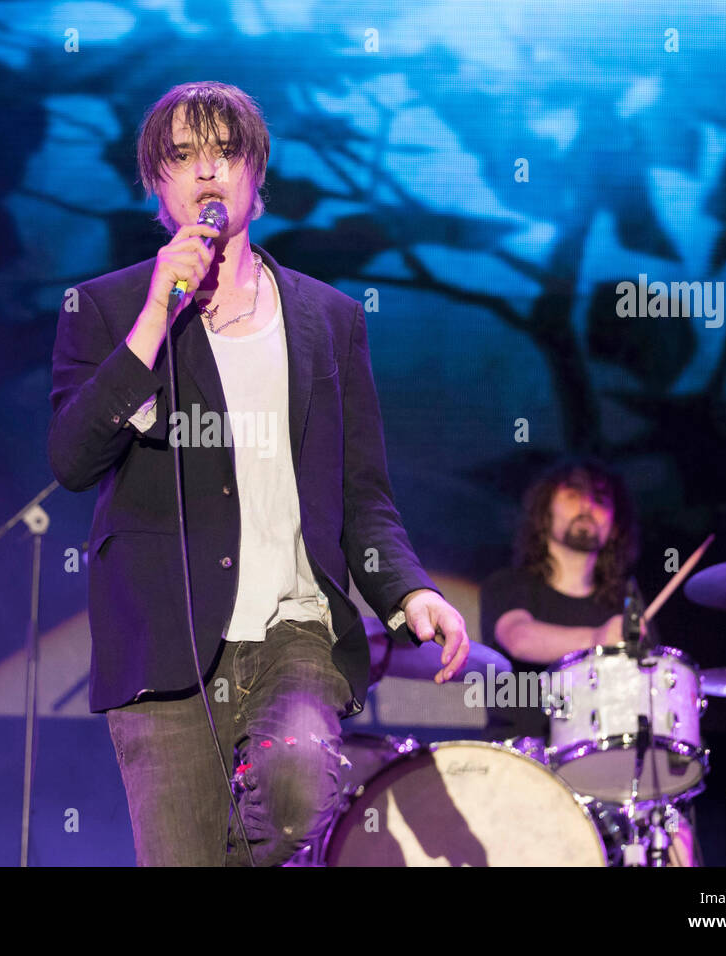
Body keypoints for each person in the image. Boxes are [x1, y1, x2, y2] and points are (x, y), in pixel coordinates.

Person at [47, 81, 469, 866]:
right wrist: (153, 318)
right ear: (157, 185)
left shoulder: (329, 320)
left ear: (255, 174)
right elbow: (72, 458)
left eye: (223, 152)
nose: (205, 173)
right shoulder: (105, 309)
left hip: (294, 629)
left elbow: (363, 494)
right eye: (181, 157)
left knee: (300, 781)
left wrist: (410, 589)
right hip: (165, 643)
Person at [479, 456, 698, 866]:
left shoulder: (627, 607)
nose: (586, 506)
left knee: (675, 827)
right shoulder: (510, 586)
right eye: (572, 493)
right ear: (545, 511)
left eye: (600, 499)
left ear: (615, 525)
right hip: (526, 767)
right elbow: (519, 637)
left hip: (613, 779)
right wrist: (598, 640)